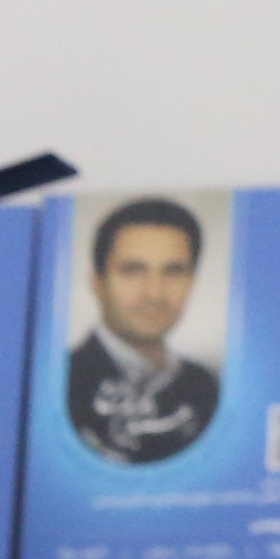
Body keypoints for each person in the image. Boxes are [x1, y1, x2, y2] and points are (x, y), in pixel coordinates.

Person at [67, 199, 223, 465]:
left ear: (192, 282)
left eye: (173, 272)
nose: (154, 294)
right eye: (133, 271)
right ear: (98, 283)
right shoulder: (61, 382)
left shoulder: (207, 386)